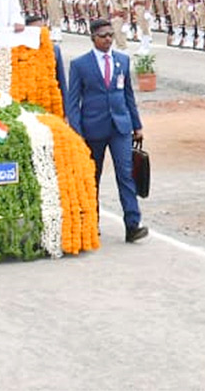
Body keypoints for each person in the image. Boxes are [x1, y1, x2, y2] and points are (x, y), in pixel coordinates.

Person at [65, 19, 147, 243]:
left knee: (126, 175)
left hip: (120, 127)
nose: (108, 39)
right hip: (93, 128)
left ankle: (133, 223)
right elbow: (73, 103)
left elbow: (128, 95)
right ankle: (92, 222)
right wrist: (76, 132)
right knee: (93, 177)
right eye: (103, 36)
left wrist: (137, 125)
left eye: (111, 35)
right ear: (93, 38)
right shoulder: (81, 64)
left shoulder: (122, 60)